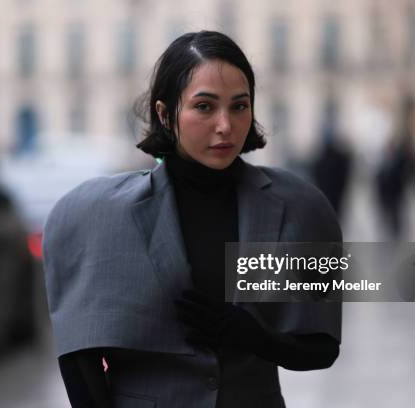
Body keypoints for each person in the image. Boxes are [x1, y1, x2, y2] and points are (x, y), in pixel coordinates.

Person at [43, 31, 342, 408]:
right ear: (166, 114)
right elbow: (79, 354)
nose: (225, 125)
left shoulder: (299, 206)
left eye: (239, 106)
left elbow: (322, 348)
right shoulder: (99, 215)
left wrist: (254, 337)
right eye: (204, 107)